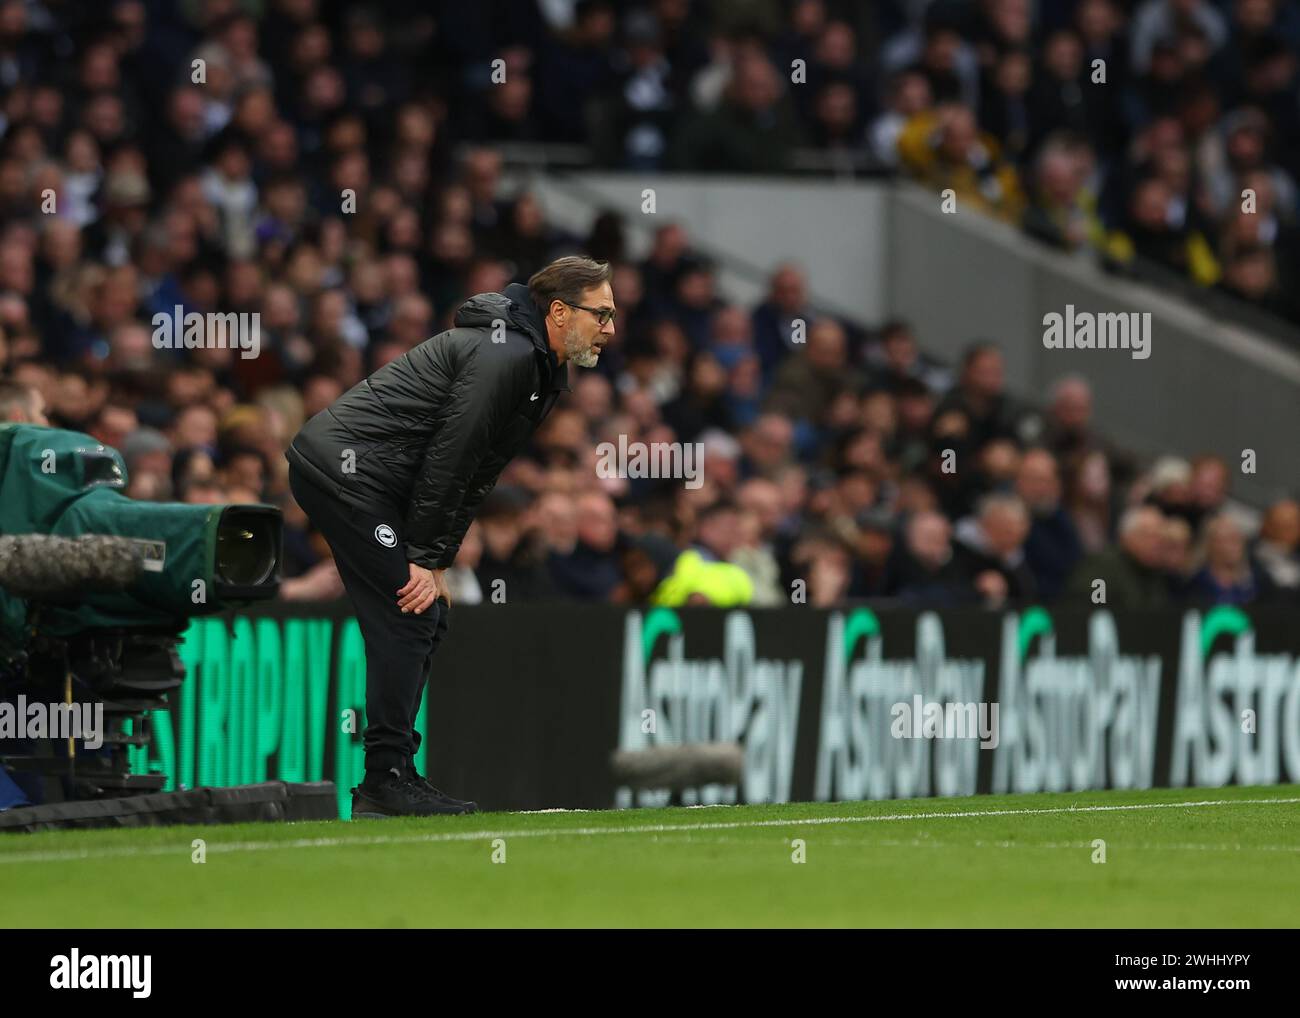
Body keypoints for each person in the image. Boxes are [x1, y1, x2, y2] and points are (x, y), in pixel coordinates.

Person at [285, 256, 615, 817]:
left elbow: (476, 474)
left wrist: (433, 562)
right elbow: (451, 459)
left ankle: (392, 776)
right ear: (559, 312)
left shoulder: (535, 364)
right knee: (409, 614)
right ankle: (384, 781)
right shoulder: (506, 354)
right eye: (601, 314)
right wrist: (421, 555)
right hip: (344, 473)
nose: (610, 329)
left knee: (426, 612)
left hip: (378, 482)